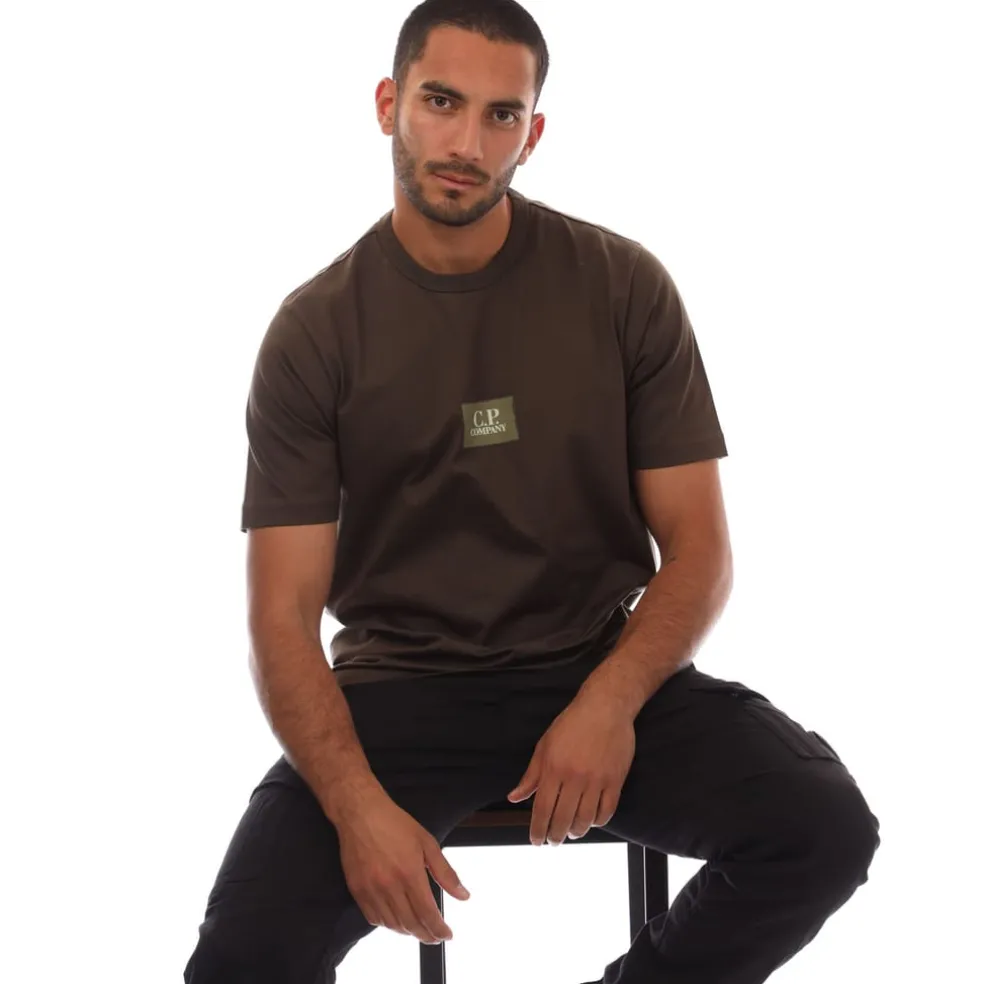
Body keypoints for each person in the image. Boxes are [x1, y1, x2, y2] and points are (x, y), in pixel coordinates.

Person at [183, 1, 881, 981]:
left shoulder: (622, 286)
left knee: (823, 828)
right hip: (399, 695)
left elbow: (700, 550)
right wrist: (355, 806)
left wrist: (610, 701)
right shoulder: (316, 332)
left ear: (533, 132)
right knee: (240, 961)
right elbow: (281, 616)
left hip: (595, 667)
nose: (467, 143)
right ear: (388, 105)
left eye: (501, 115)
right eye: (441, 102)